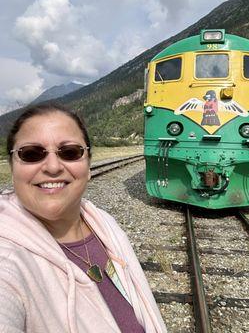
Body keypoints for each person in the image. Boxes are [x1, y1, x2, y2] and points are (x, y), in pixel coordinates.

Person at [0, 103, 167, 333]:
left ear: (88, 165)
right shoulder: (7, 259)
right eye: (31, 154)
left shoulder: (105, 225)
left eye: (70, 152)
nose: (52, 166)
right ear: (12, 167)